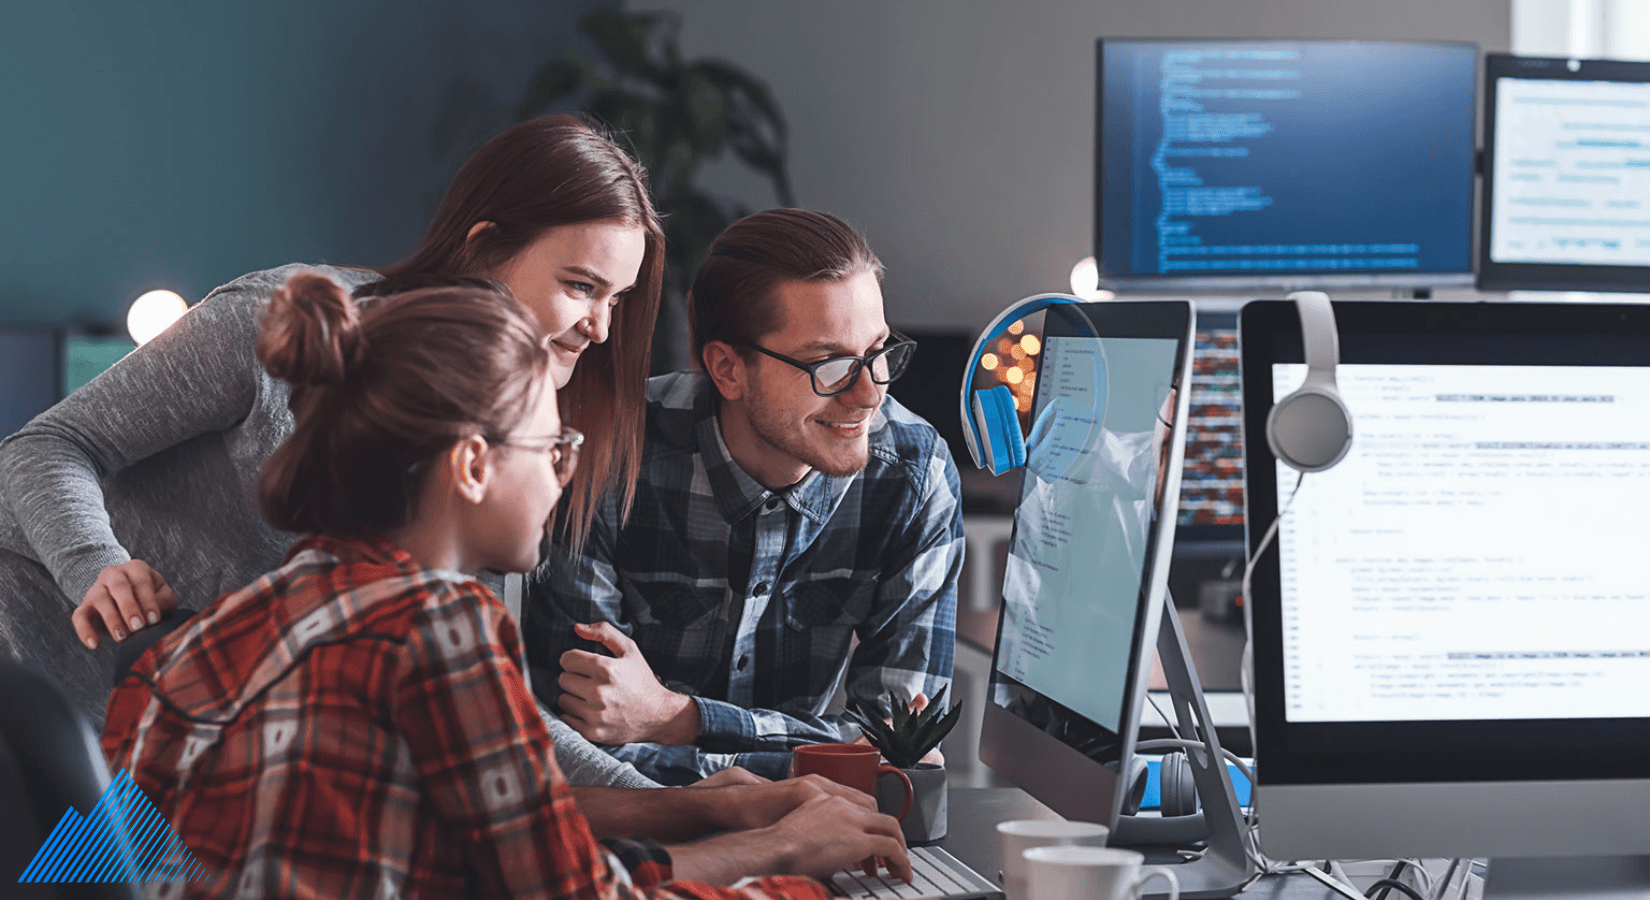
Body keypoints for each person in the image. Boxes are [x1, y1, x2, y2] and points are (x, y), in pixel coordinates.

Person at [102, 273, 910, 899]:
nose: (567, 476)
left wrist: (707, 807)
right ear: (475, 465)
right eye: (553, 447)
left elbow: (500, 817)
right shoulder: (438, 623)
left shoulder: (235, 619)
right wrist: (784, 854)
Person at [0, 115, 670, 787]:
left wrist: (684, 800)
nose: (602, 328)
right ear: (484, 249)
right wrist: (95, 566)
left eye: (618, 299)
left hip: (165, 752)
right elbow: (45, 446)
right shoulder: (272, 320)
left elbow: (491, 716)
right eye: (581, 286)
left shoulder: (489, 452)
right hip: (32, 683)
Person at [527, 208, 964, 784]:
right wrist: (815, 759)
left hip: (818, 833)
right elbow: (584, 746)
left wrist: (679, 718)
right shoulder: (610, 456)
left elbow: (901, 751)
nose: (869, 394)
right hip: (640, 833)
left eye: (879, 352)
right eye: (830, 365)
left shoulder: (914, 477)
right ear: (728, 370)